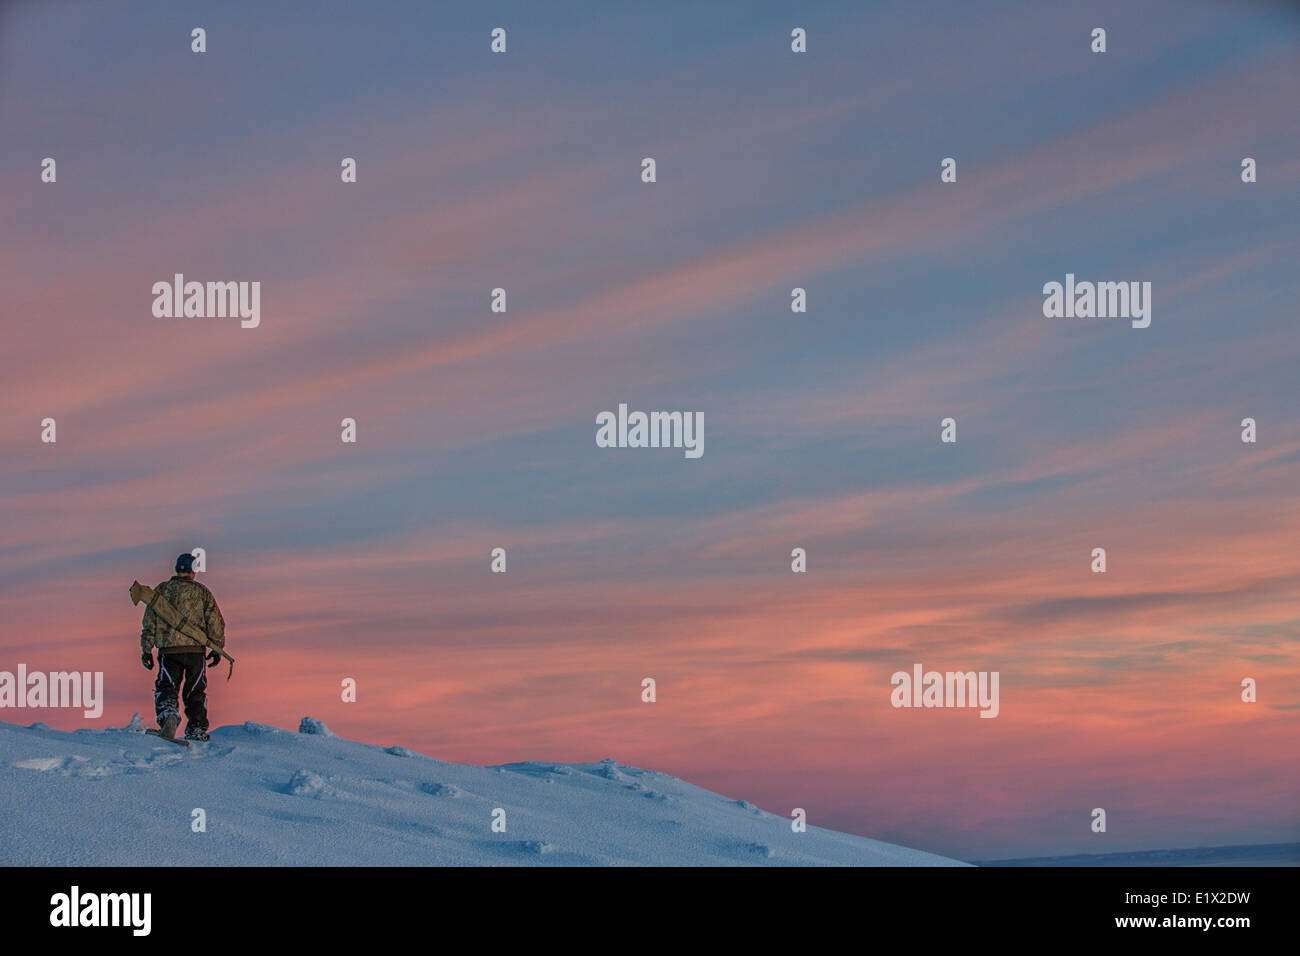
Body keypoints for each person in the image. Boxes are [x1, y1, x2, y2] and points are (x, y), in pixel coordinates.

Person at [140, 553, 226, 741]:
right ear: (193, 570)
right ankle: (196, 729)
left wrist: (147, 649)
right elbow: (215, 622)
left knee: (167, 687)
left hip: (169, 651)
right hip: (196, 652)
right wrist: (217, 647)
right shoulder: (202, 592)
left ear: (176, 569)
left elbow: (150, 622)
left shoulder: (162, 590)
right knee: (195, 691)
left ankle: (168, 715)